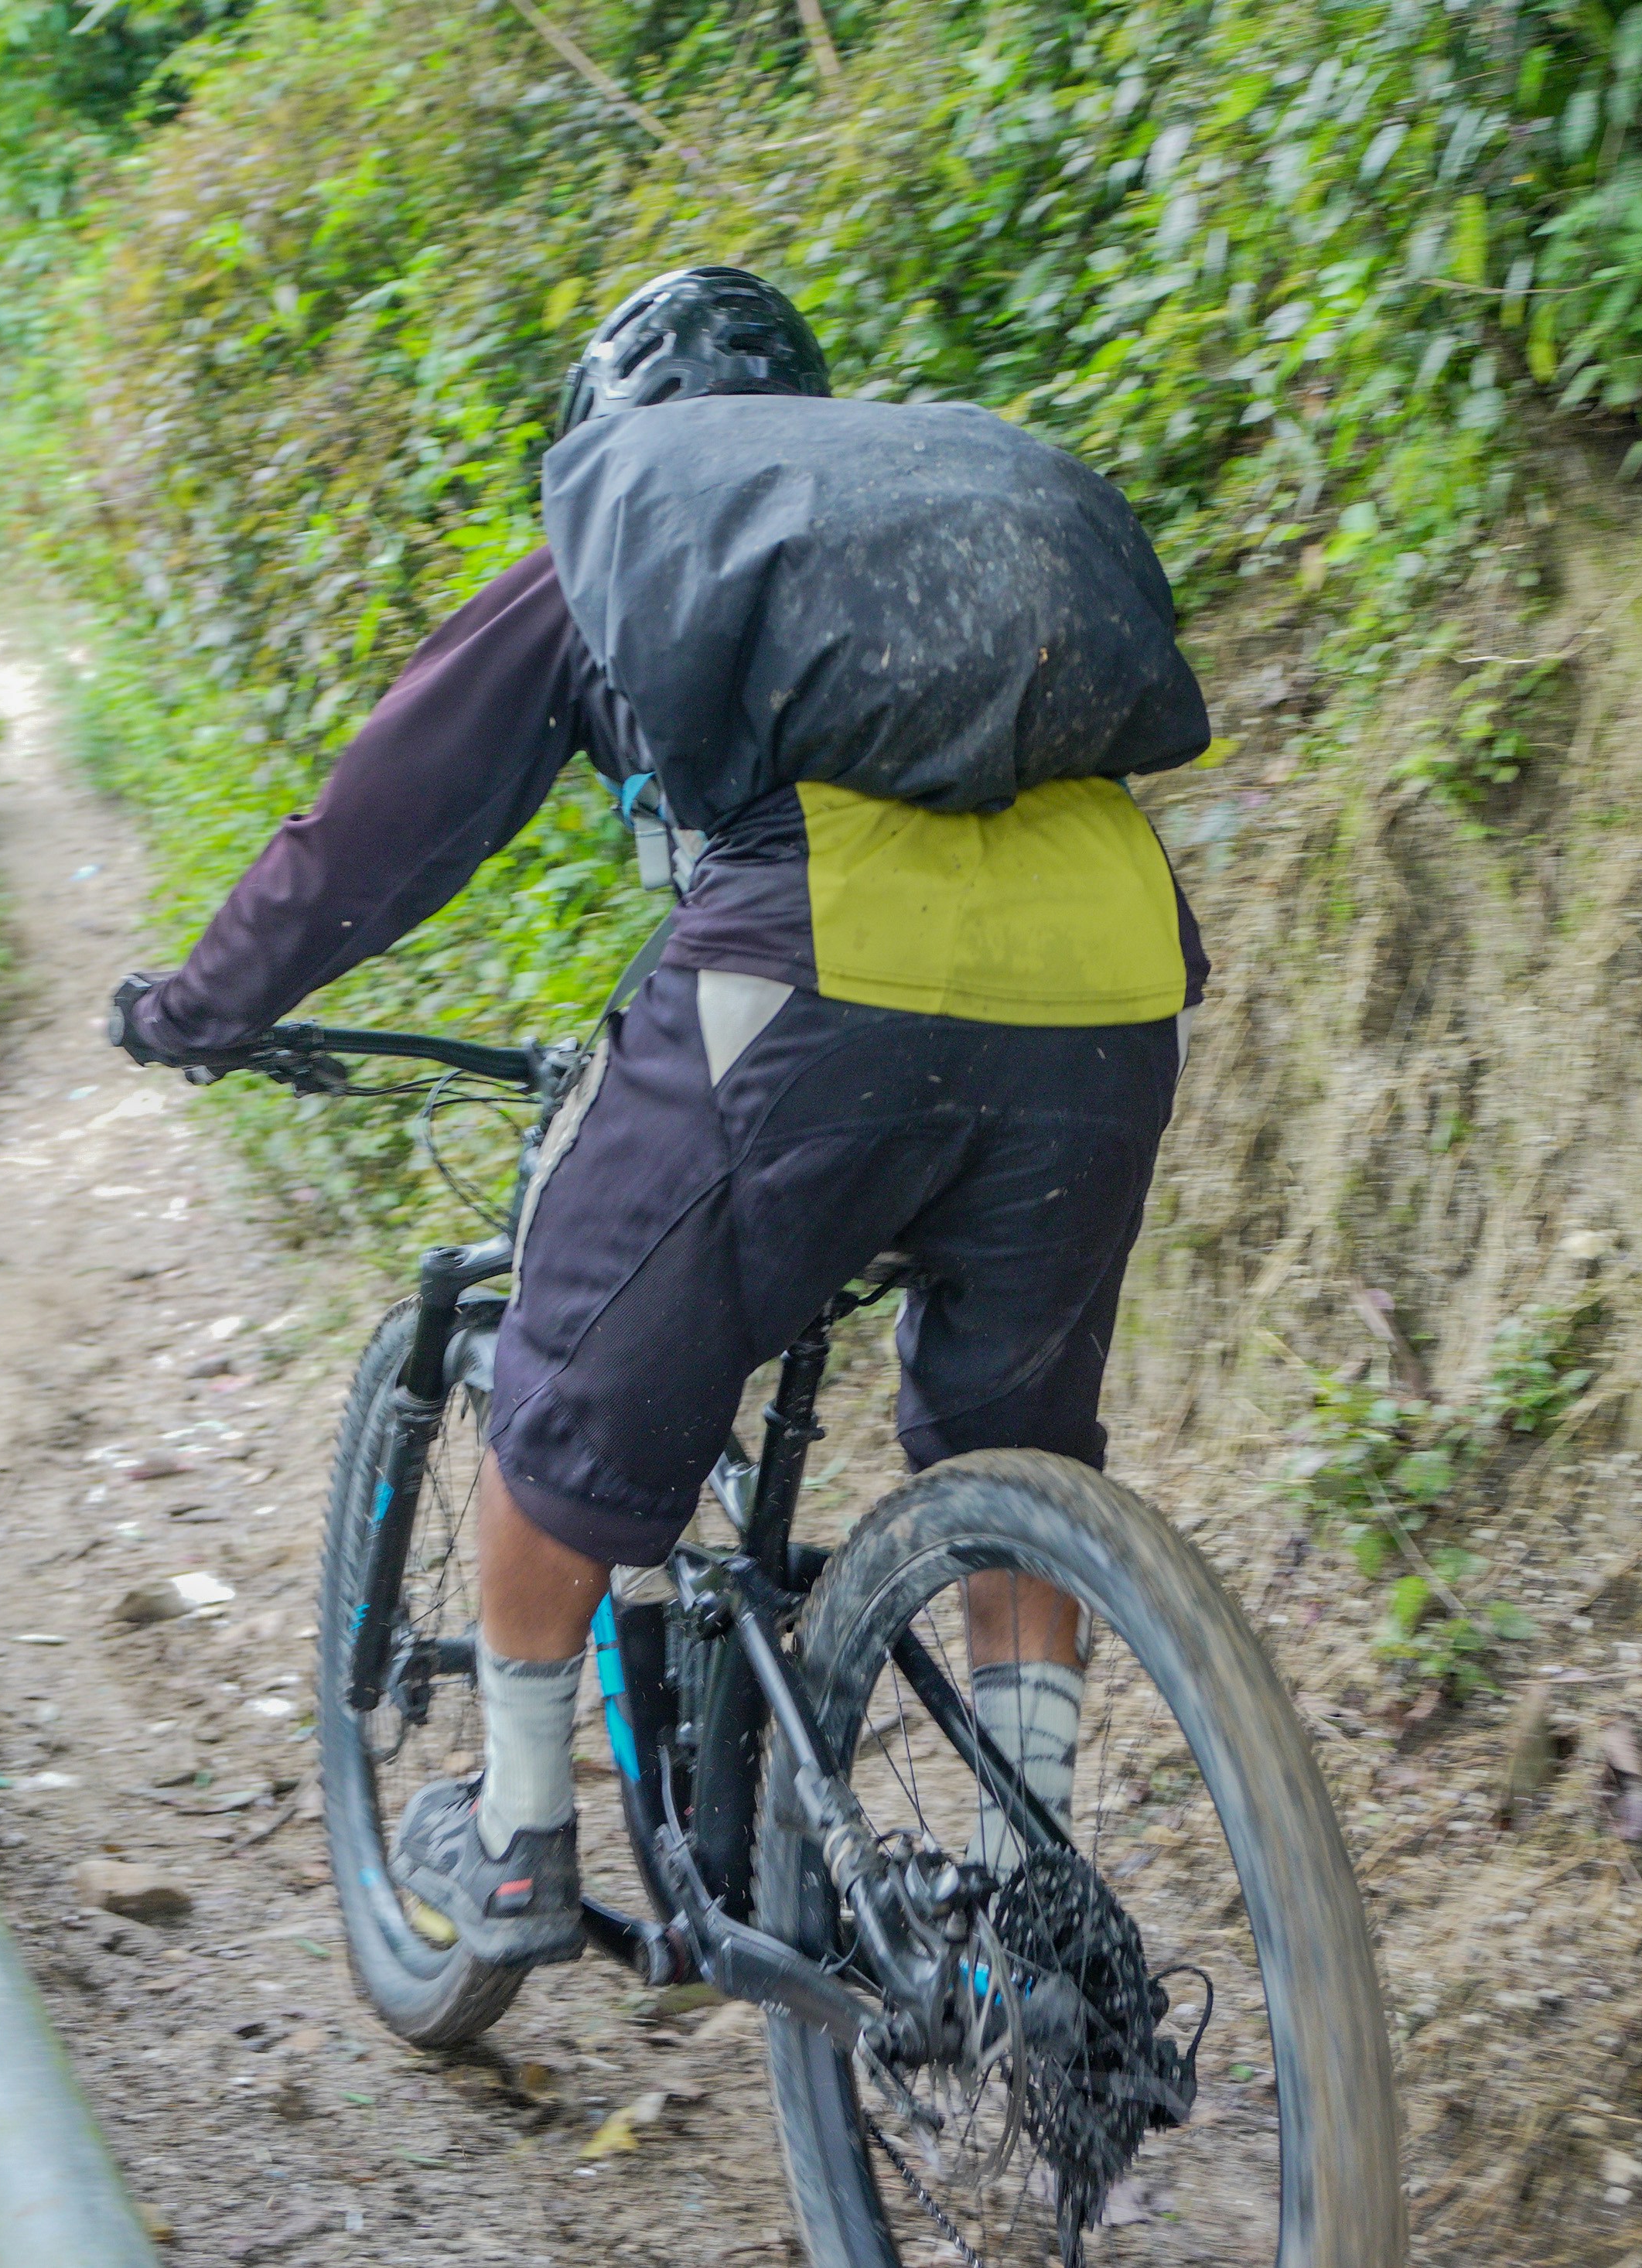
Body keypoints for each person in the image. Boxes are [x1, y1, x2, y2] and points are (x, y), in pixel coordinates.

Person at [111, 266, 1210, 1966]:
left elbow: (374, 829)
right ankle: (1024, 1877)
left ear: (605, 437)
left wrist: (198, 1008)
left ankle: (517, 1835)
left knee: (558, 1369)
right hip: (1112, 971)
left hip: (817, 975)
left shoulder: (625, 525)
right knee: (1008, 1445)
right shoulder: (908, 536)